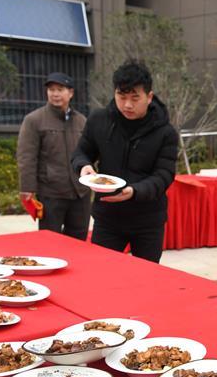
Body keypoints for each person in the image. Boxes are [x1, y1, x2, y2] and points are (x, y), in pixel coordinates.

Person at [71, 60, 178, 263]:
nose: (127, 105)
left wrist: (134, 191)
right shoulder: (99, 120)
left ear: (149, 97)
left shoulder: (165, 133)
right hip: (108, 217)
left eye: (134, 98)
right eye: (122, 96)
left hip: (148, 220)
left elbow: (164, 175)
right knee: (101, 273)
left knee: (146, 279)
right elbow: (81, 152)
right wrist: (83, 166)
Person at [16, 72, 90, 239]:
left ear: (70, 93)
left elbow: (89, 153)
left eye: (60, 89)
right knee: (50, 241)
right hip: (51, 192)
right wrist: (27, 188)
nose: (55, 94)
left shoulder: (82, 121)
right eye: (51, 90)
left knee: (78, 240)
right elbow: (26, 157)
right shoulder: (34, 120)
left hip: (80, 192)